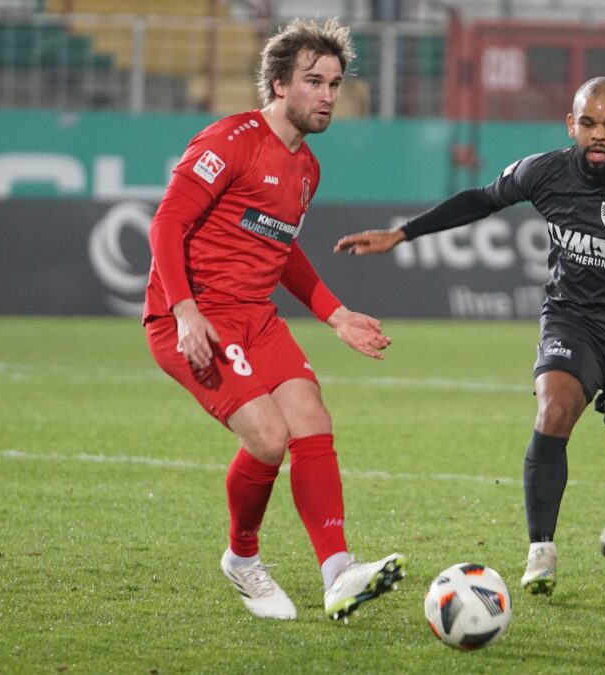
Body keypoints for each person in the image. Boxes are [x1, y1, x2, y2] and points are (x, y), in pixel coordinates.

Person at [333, 77, 605, 595]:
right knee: (553, 408)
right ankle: (541, 549)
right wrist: (403, 233)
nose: (599, 136)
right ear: (571, 124)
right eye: (588, 124)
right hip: (573, 317)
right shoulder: (545, 172)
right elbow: (481, 198)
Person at [142, 17, 405, 623]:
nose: (328, 96)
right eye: (315, 82)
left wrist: (336, 317)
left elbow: (280, 248)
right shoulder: (229, 141)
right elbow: (167, 223)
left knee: (311, 417)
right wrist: (184, 311)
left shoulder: (307, 170)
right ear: (280, 84)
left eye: (335, 84)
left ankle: (338, 573)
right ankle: (242, 559)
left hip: (255, 319)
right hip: (194, 317)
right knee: (267, 437)